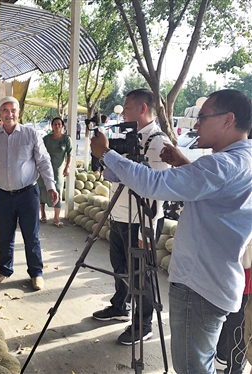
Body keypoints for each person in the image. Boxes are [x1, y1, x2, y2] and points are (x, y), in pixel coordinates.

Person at [91, 89, 252, 372]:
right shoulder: (242, 159)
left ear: (228, 120)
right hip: (215, 279)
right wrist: (184, 165)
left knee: (192, 367)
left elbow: (152, 184)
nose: (196, 124)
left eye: (203, 117)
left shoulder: (221, 164)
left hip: (200, 284)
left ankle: (141, 324)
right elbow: (216, 193)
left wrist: (106, 154)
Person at [91, 89, 169, 346]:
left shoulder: (157, 143)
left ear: (143, 109)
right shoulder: (130, 138)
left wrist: (144, 231)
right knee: (120, 267)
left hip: (141, 220)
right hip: (120, 215)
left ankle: (143, 324)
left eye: (126, 108)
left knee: (141, 274)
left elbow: (156, 191)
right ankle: (119, 306)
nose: (122, 112)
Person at [0, 96, 58, 291]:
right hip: (3, 195)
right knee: (5, 235)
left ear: (18, 113)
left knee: (31, 235)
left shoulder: (31, 135)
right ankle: (4, 270)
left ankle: (36, 273)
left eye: (13, 110)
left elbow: (44, 162)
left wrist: (51, 186)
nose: (9, 113)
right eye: (5, 110)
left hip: (28, 194)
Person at [215, 241, 252, 374]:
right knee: (232, 323)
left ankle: (233, 369)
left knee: (238, 328)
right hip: (233, 274)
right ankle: (222, 358)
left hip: (243, 277)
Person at [38, 117, 72, 227]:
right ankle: (42, 214)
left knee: (57, 189)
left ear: (62, 126)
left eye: (59, 124)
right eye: (55, 124)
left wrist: (67, 167)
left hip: (58, 168)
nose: (57, 126)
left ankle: (56, 217)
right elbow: (39, 152)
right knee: (42, 188)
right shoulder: (46, 139)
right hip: (45, 168)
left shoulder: (66, 139)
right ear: (52, 126)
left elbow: (69, 154)